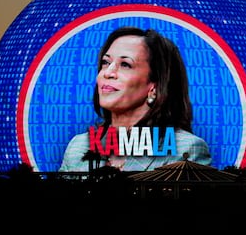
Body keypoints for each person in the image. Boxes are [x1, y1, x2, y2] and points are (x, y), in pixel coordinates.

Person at [59, 27, 213, 172]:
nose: (108, 73)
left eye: (125, 64)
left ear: (155, 86)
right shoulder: (78, 147)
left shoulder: (186, 149)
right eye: (106, 63)